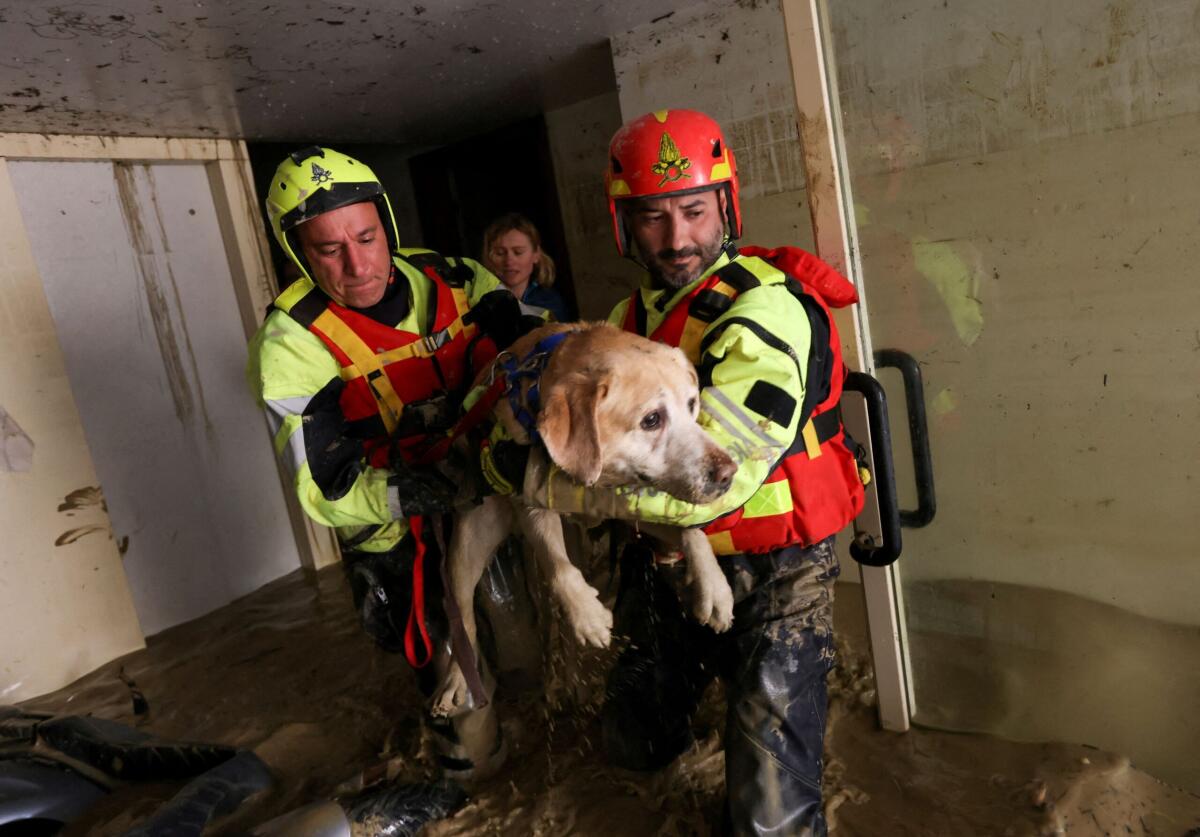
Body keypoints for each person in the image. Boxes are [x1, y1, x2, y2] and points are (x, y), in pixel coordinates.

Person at [521, 109, 867, 835]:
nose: (677, 237)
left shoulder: (766, 308)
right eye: (653, 216)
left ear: (725, 208)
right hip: (666, 559)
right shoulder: (624, 320)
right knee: (633, 748)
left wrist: (540, 482)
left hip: (780, 567)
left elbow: (719, 482)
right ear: (625, 226)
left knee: (768, 820)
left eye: (694, 210)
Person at [246, 146, 526, 782]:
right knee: (457, 684)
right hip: (397, 532)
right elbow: (325, 488)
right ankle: (468, 780)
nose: (358, 265)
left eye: (367, 238)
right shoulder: (290, 344)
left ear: (388, 225)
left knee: (523, 645)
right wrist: (423, 488)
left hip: (486, 490)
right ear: (298, 255)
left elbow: (527, 365)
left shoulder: (462, 280)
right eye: (328, 250)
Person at [481, 213, 569, 321]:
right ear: (488, 257)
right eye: (500, 253)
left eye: (518, 252)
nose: (509, 261)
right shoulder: (477, 301)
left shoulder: (550, 302)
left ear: (536, 254)